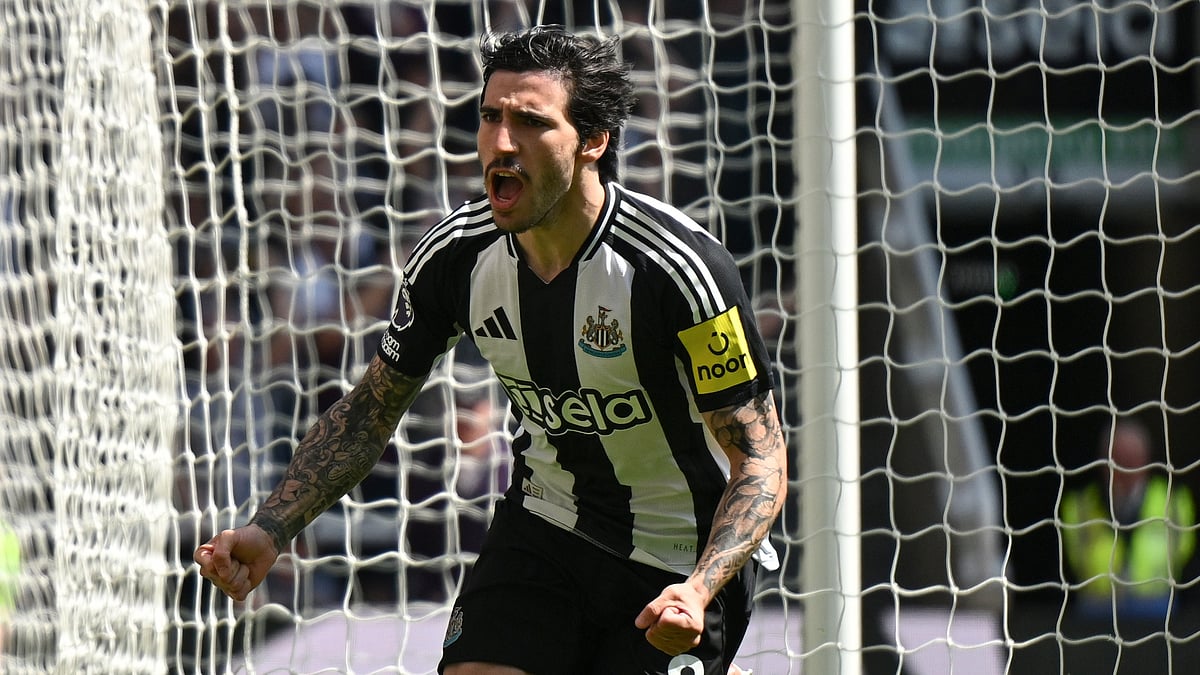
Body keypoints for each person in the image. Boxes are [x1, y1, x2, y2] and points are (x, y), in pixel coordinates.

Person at [194, 25, 787, 674]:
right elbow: (370, 411)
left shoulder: (678, 270)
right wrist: (272, 526)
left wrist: (699, 589)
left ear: (593, 140)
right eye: (490, 117)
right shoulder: (456, 257)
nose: (502, 142)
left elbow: (759, 458)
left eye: (530, 122)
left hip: (679, 559)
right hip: (547, 527)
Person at [1061, 418, 1196, 621]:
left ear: (1146, 459)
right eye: (1119, 458)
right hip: (1097, 608)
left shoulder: (1174, 501)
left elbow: (1184, 552)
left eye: (1133, 458)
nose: (1127, 468)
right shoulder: (1079, 505)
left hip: (1157, 607)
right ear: (1104, 461)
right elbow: (1074, 557)